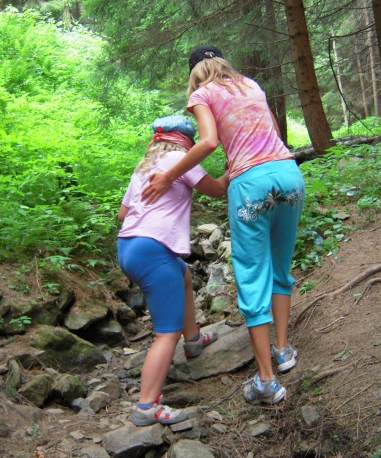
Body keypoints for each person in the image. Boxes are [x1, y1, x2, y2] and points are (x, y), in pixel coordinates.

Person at [142, 46, 305, 405]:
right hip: (288, 174)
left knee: (252, 275)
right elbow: (274, 132)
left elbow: (209, 142)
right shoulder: (251, 85)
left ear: (194, 73)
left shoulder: (203, 93)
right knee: (280, 269)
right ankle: (283, 350)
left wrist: (169, 175)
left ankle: (266, 382)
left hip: (251, 186)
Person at [117, 114, 229, 426]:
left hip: (127, 247)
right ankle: (147, 406)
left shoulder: (144, 167)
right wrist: (231, 169)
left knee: (183, 273)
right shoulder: (181, 160)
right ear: (186, 142)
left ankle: (193, 340)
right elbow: (217, 190)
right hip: (153, 250)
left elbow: (122, 214)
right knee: (167, 333)